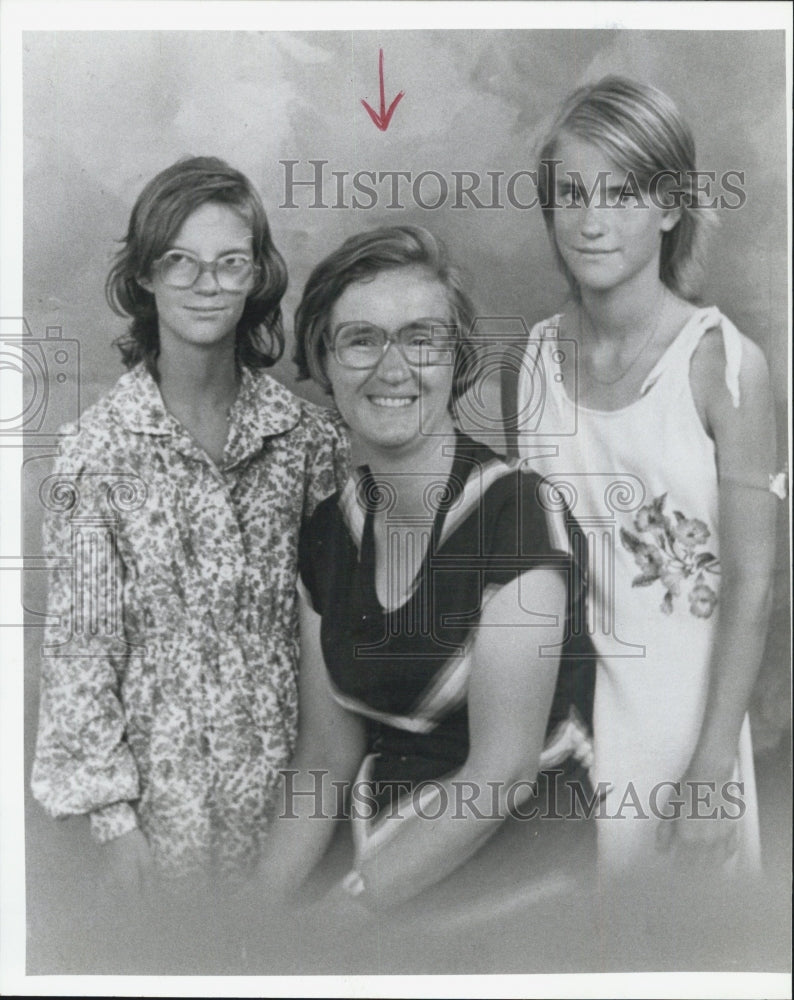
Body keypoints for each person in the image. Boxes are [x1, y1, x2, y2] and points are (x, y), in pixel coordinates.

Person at [254, 225, 595, 912]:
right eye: (360, 338)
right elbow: (325, 761)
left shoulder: (518, 514)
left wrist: (348, 909)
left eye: (421, 338)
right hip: (387, 846)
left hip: (523, 869)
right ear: (322, 359)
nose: (392, 367)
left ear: (456, 357)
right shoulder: (326, 533)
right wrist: (244, 923)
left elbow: (502, 772)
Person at [31, 156, 349, 889]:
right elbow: (82, 654)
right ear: (144, 274)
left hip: (292, 798)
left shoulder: (308, 443)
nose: (207, 285)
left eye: (230, 263)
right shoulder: (94, 454)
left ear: (256, 276)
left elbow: (339, 637)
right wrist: (114, 822)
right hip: (161, 812)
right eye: (181, 261)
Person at [503, 77, 779, 873]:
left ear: (670, 207)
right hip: (563, 730)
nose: (590, 220)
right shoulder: (533, 359)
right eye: (571, 193)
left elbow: (752, 590)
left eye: (622, 193)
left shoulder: (724, 364)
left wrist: (709, 771)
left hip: (686, 730)